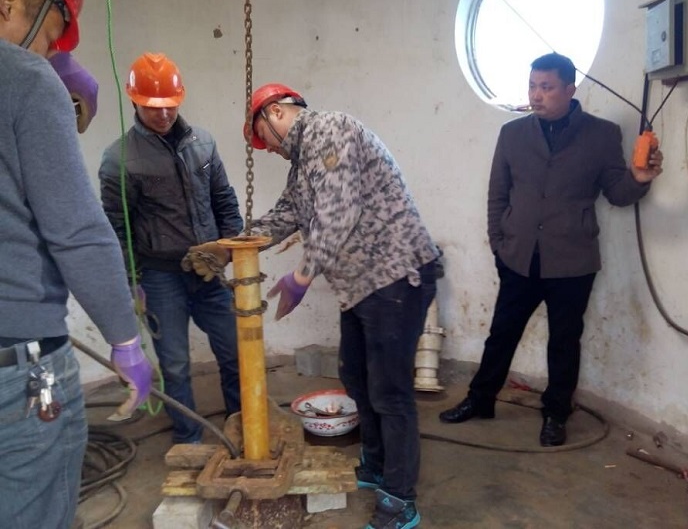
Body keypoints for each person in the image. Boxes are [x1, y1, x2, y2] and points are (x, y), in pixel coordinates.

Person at [439, 52, 664, 447]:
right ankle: (480, 399)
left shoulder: (602, 135)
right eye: (532, 86)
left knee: (564, 341)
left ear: (569, 89)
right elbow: (497, 195)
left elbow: (618, 194)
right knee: (501, 334)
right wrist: (499, 245)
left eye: (546, 87)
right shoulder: (512, 134)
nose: (536, 95)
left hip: (573, 260)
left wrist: (640, 178)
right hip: (518, 257)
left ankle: (556, 414)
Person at [242, 83, 438, 529]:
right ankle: (377, 465)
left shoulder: (330, 129)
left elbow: (338, 212)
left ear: (275, 112)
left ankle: (401, 498)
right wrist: (237, 243)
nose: (269, 149)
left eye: (263, 137)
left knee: (390, 391)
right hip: (361, 287)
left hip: (395, 277)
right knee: (356, 377)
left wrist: (301, 277)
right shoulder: (302, 163)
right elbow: (286, 214)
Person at [0, 0, 153, 527]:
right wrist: (125, 338)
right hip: (19, 364)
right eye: (51, 36)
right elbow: (78, 230)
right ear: (7, 2)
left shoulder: (196, 145)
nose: (49, 52)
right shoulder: (25, 78)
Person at [99, 52, 244, 444]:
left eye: (169, 105)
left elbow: (225, 200)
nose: (163, 114)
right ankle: (189, 440)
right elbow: (115, 227)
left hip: (209, 270)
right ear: (134, 101)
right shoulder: (119, 160)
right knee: (176, 365)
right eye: (153, 107)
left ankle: (243, 427)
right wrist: (131, 281)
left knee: (236, 352)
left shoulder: (203, 143)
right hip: (161, 278)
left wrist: (229, 248)